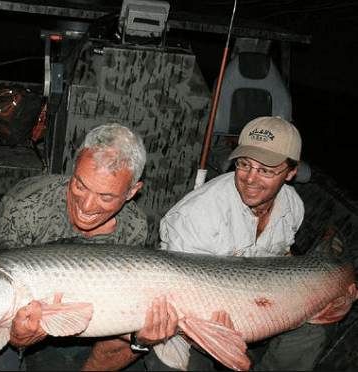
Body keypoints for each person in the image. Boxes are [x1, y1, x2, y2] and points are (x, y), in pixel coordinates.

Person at [81, 116, 334, 371]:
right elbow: (177, 304)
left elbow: (282, 256)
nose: (250, 179)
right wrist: (220, 334)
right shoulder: (195, 215)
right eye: (244, 164)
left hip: (258, 304)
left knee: (317, 327)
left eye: (266, 170)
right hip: (188, 323)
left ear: (291, 172)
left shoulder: (293, 205)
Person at [0, 123, 149, 371]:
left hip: (85, 319)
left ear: (131, 192)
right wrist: (18, 336)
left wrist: (141, 337)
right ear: (74, 166)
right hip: (5, 310)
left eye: (106, 198)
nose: (86, 205)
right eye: (80, 185)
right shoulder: (26, 203)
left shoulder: (134, 226)